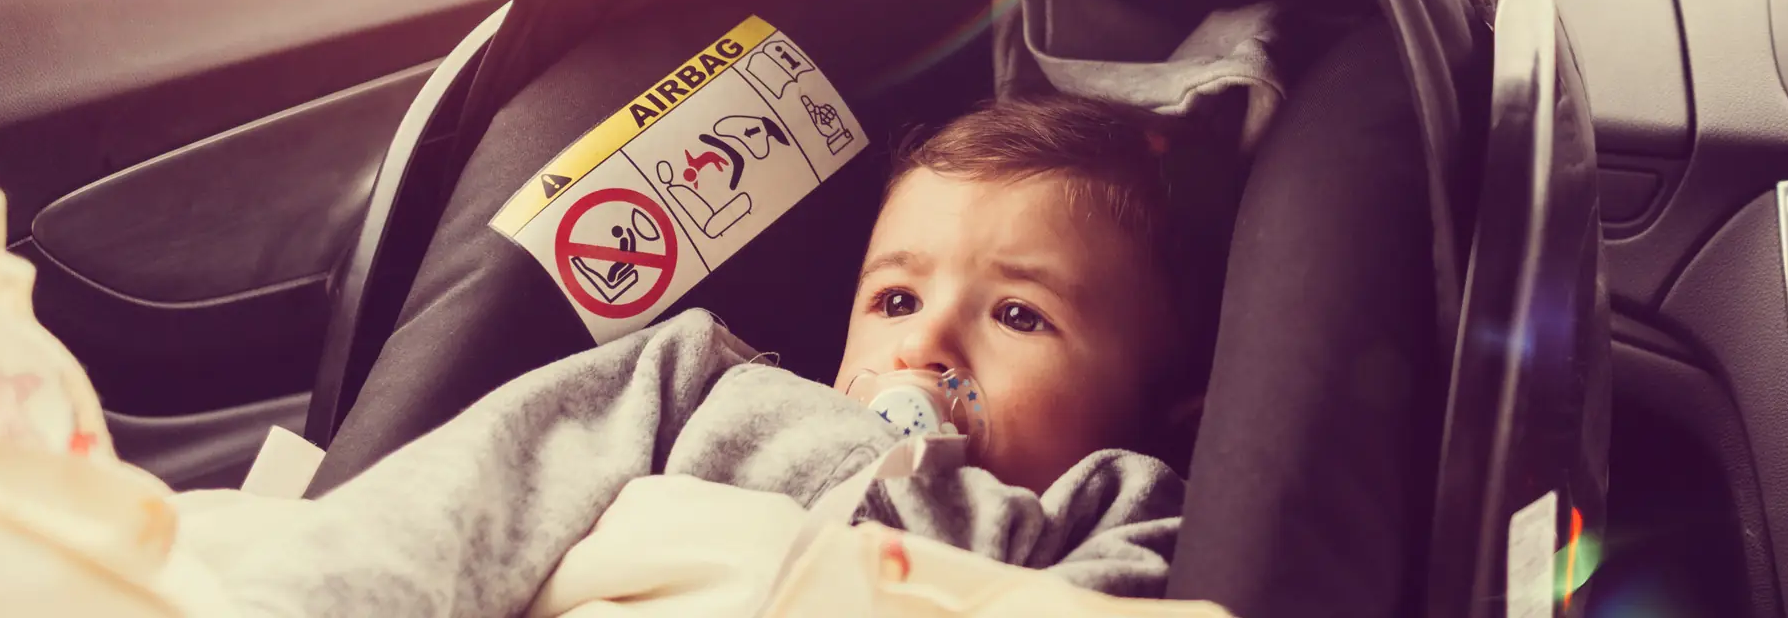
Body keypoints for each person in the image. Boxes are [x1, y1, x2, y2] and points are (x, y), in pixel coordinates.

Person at [177, 95, 1219, 616]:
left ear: (1158, 397)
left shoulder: (1119, 511)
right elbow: (476, 491)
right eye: (896, 294)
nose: (925, 340)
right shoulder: (708, 388)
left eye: (1020, 314)